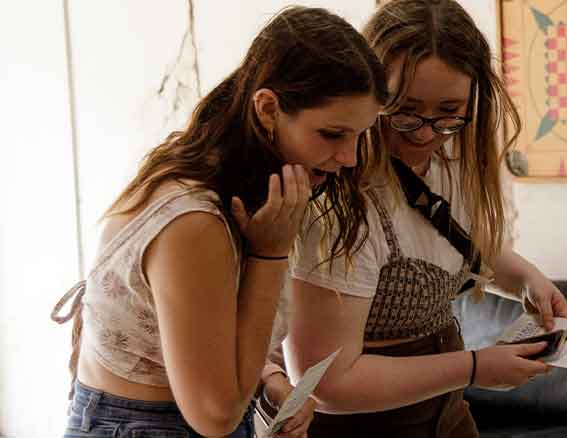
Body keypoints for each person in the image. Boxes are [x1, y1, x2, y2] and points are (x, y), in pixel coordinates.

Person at [50, 6, 388, 438]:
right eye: (332, 134)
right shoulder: (194, 221)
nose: (350, 158)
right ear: (267, 108)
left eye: (361, 134)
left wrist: (268, 379)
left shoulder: (231, 183)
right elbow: (214, 416)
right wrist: (271, 253)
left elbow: (204, 336)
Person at [282, 0, 567, 436]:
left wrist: (527, 279)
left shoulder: (449, 161)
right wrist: (472, 368)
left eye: (448, 112)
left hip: (447, 418)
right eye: (404, 110)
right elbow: (325, 384)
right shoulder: (340, 203)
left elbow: (459, 240)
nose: (425, 133)